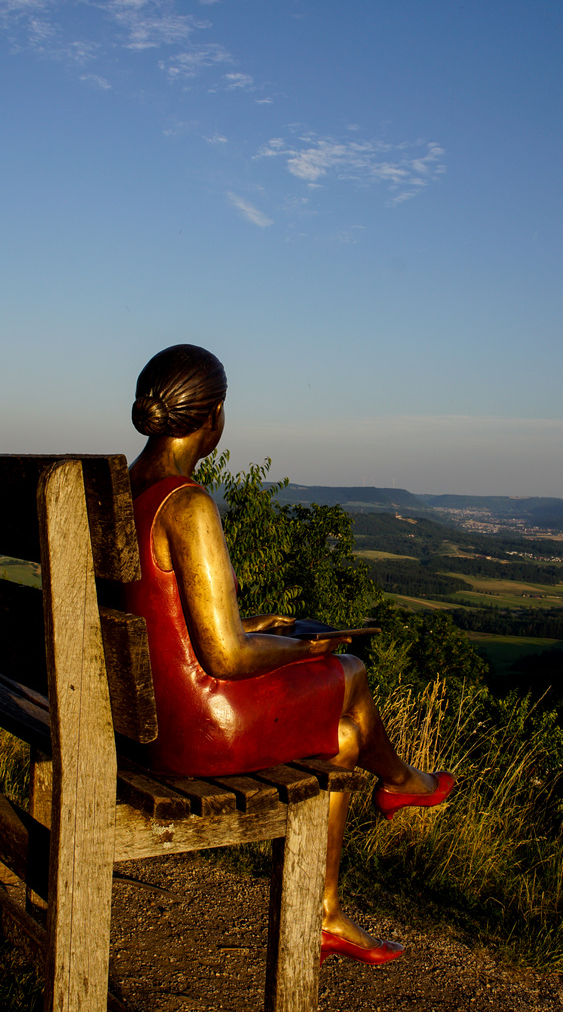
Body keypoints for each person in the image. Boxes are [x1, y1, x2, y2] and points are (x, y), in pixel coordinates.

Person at [127, 344, 455, 967]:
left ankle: (327, 913)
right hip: (196, 733)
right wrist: (302, 647)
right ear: (214, 417)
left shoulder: (121, 490)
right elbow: (225, 657)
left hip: (141, 720)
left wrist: (263, 627)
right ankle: (402, 782)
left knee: (341, 736)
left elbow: (169, 626)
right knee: (350, 670)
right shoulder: (186, 502)